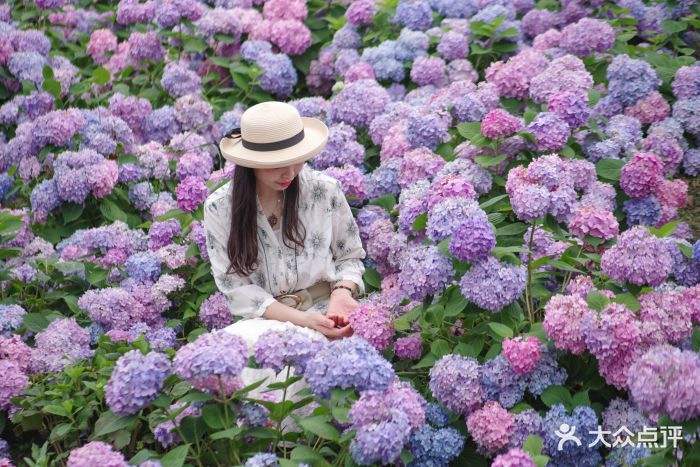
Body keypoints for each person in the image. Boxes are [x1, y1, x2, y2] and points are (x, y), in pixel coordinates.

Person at [202, 101, 367, 401]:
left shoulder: (324, 190)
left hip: (326, 313)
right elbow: (236, 289)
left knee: (306, 373)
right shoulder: (219, 208)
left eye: (297, 159)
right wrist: (301, 320)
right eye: (278, 162)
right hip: (264, 321)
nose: (290, 172)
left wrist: (342, 293)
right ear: (250, 160)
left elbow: (349, 256)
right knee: (229, 366)